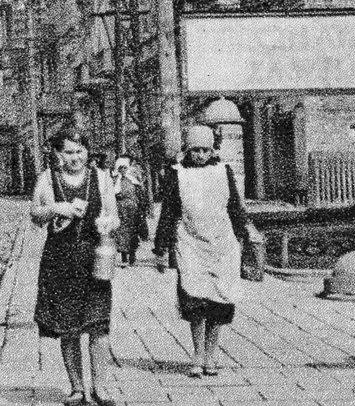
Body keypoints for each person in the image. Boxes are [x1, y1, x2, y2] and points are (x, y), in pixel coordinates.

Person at [153, 125, 259, 379]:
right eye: (194, 150)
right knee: (195, 301)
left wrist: (245, 235)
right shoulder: (177, 174)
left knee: (218, 301)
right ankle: (197, 354)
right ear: (187, 151)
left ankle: (212, 353)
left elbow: (235, 207)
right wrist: (160, 247)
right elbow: (169, 212)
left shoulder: (223, 172)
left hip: (221, 244)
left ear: (212, 150)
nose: (199, 155)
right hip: (190, 243)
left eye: (204, 150)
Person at [30, 128, 119, 406]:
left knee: (98, 326)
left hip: (95, 261)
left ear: (87, 152)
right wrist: (58, 208)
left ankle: (100, 388)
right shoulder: (47, 179)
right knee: (68, 328)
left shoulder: (101, 178)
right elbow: (35, 215)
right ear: (58, 153)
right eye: (69, 152)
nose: (75, 157)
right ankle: (77, 388)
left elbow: (113, 216)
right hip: (60, 262)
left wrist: (107, 224)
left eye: (80, 151)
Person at [111, 156, 150, 266]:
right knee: (122, 233)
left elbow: (141, 196)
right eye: (120, 168)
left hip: (133, 210)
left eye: (124, 168)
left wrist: (143, 208)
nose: (122, 170)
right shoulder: (115, 180)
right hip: (120, 210)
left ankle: (132, 255)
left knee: (133, 232)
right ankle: (124, 257)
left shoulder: (134, 180)